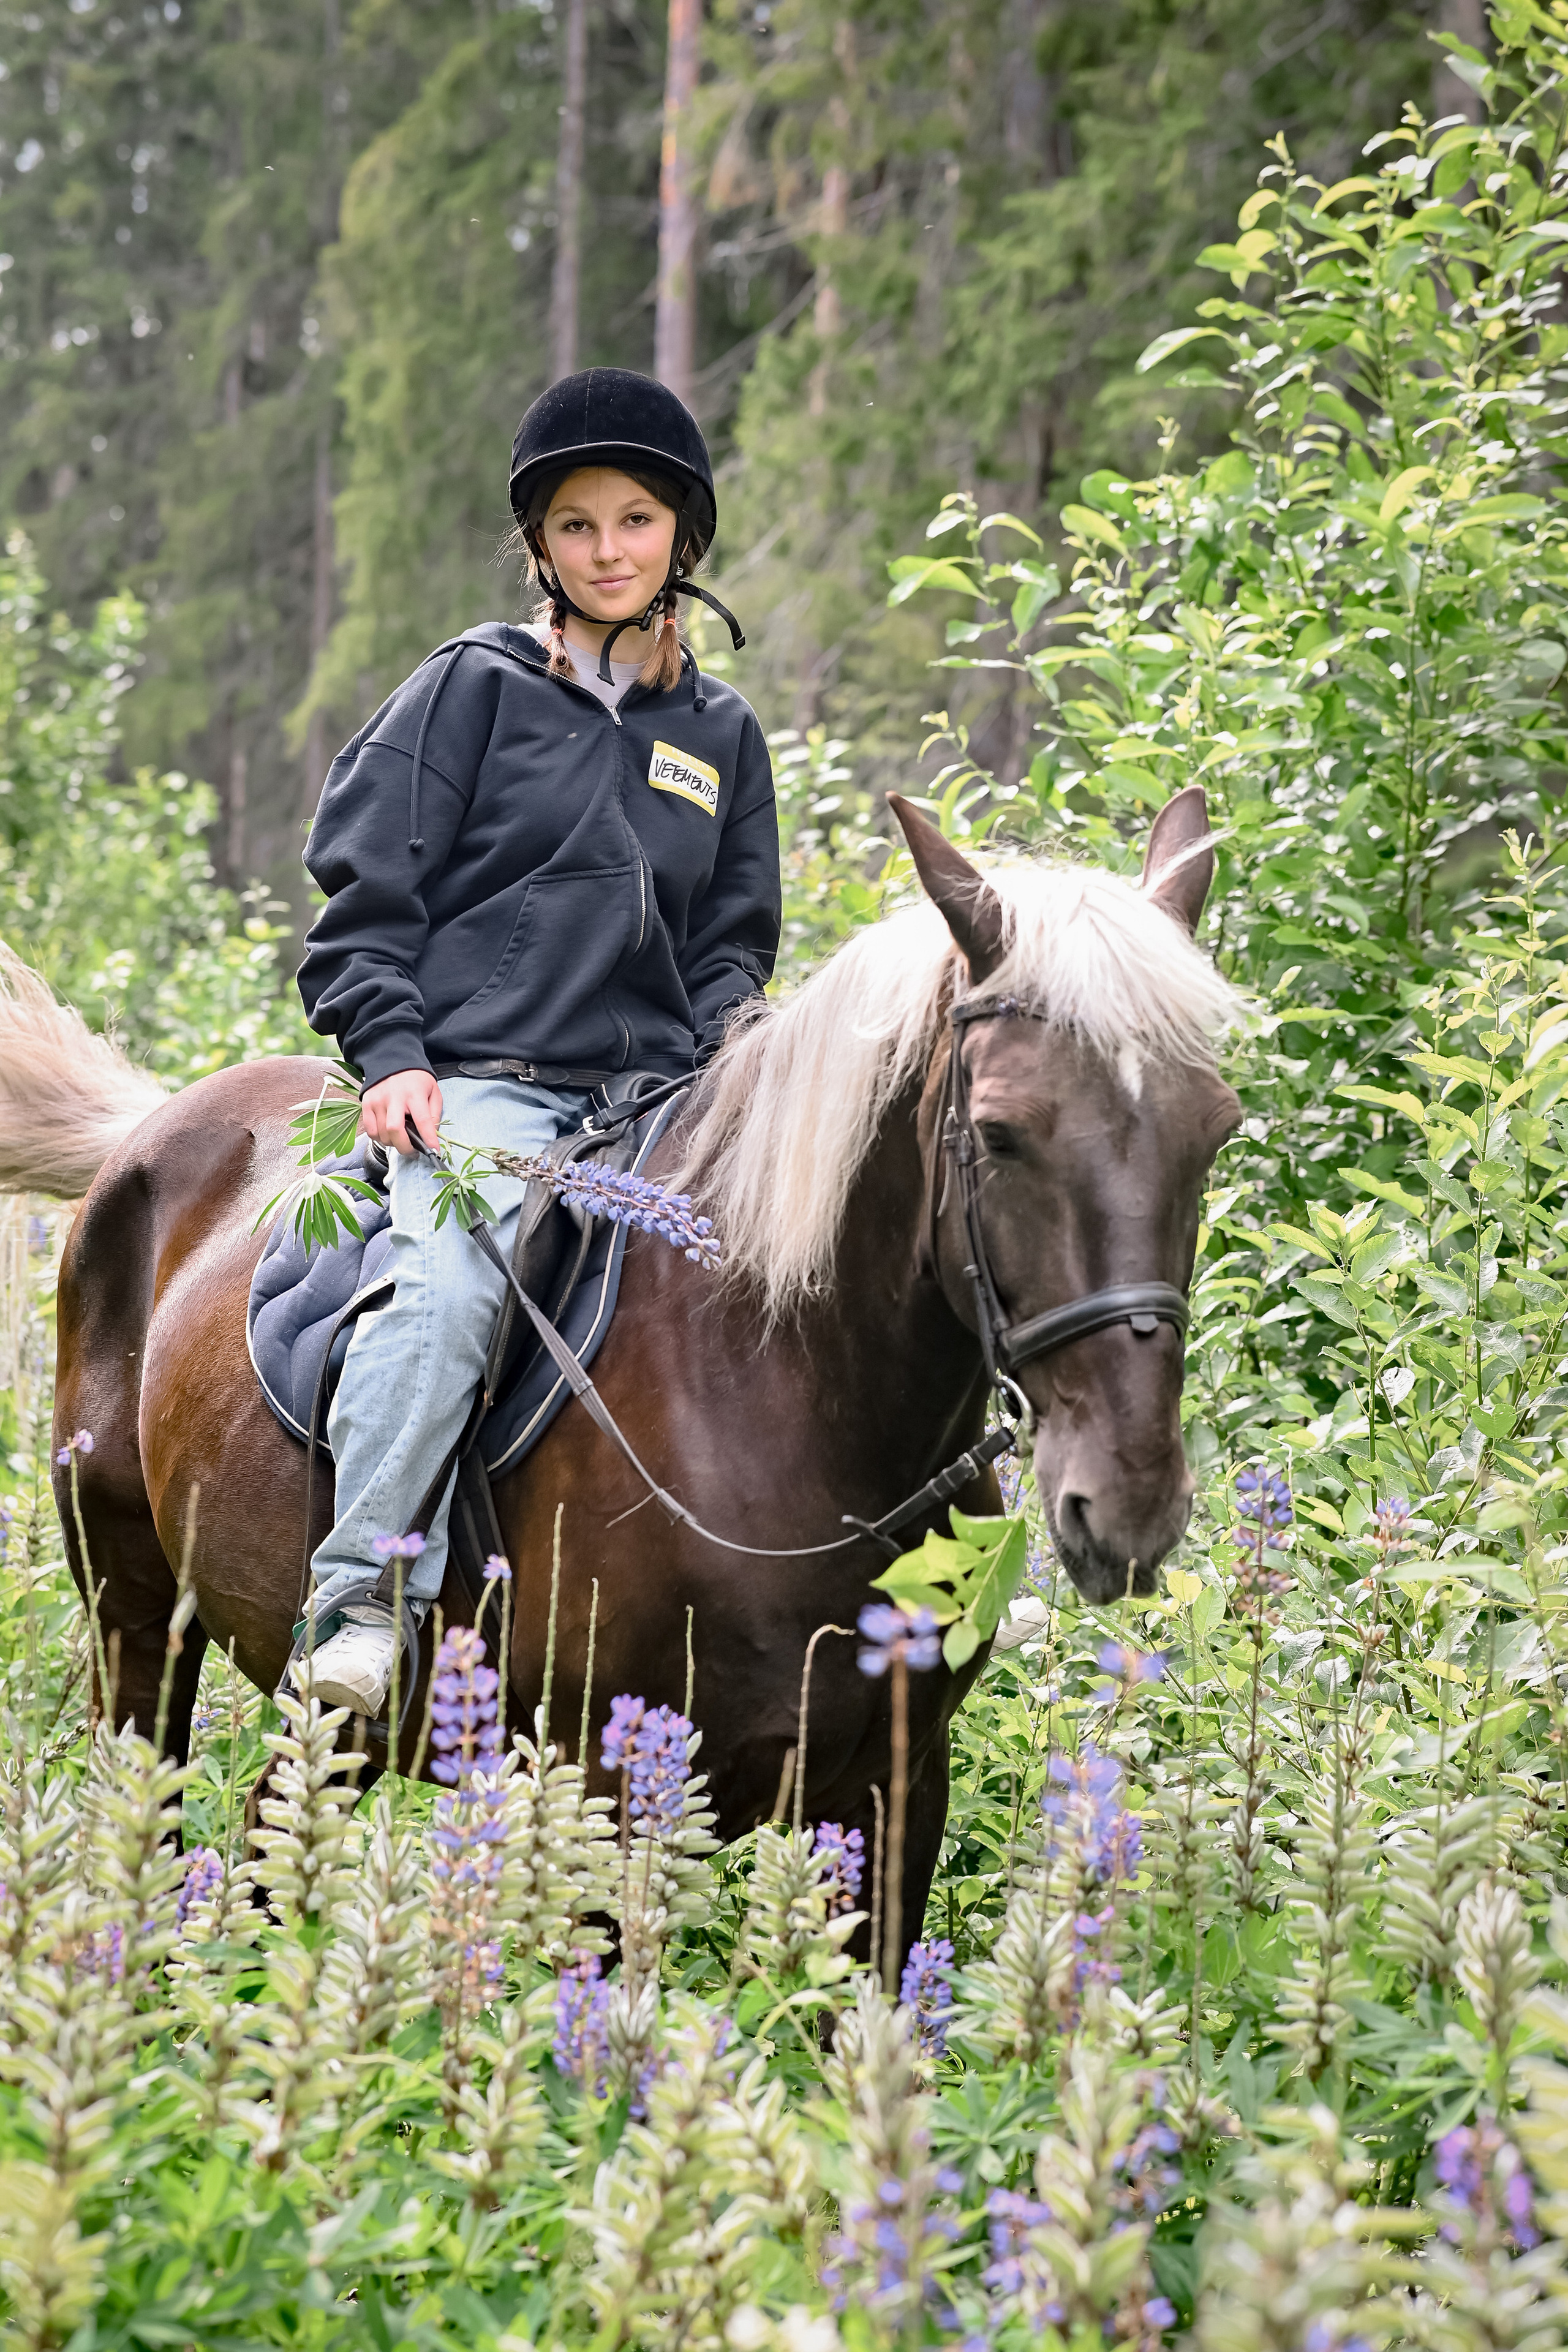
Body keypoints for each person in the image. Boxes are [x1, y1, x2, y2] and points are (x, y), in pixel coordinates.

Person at [293, 368, 782, 1717]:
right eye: (577, 525)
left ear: (681, 537)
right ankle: (364, 1603)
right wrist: (394, 1054)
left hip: (659, 1106)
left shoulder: (722, 737)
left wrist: (726, 1065)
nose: (610, 549)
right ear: (540, 547)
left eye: (636, 519)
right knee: (447, 1293)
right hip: (491, 1096)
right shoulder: (474, 686)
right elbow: (365, 902)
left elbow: (735, 945)